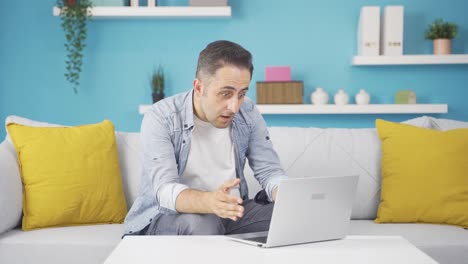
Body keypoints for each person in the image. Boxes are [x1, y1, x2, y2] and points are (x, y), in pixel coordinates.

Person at [124, 40, 287, 236]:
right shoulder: (162, 116)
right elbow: (165, 191)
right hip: (174, 217)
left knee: (291, 216)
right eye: (225, 93)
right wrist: (209, 202)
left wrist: (284, 194)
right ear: (199, 87)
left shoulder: (248, 111)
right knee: (201, 225)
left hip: (230, 213)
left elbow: (269, 170)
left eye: (241, 94)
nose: (234, 107)